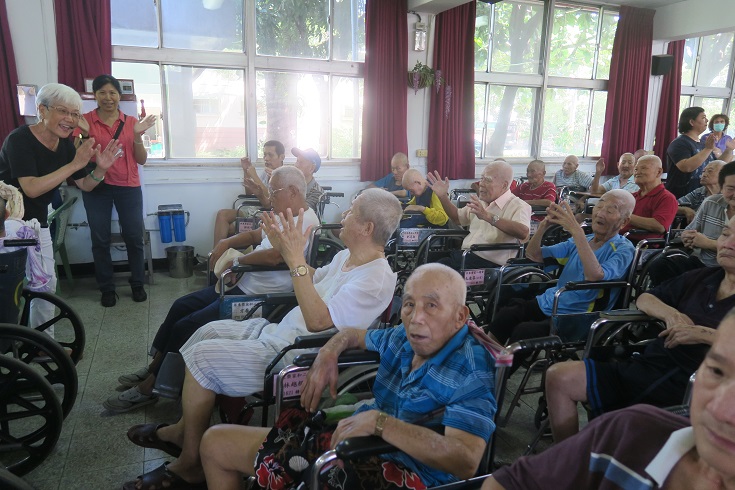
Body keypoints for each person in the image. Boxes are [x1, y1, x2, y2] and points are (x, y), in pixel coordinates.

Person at [121, 188, 402, 490]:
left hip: (296, 355)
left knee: (202, 359)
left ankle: (191, 464)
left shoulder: (375, 279)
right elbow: (312, 277)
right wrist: (286, 248)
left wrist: (294, 257)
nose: (344, 215)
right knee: (205, 331)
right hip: (279, 331)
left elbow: (318, 320)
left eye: (352, 211)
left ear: (367, 228)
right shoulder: (347, 257)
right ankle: (183, 432)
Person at [200, 264, 497, 489]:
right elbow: (354, 335)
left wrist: (381, 424)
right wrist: (328, 352)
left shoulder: (470, 368)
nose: (416, 317)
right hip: (355, 444)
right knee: (214, 442)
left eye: (431, 306)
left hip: (407, 476)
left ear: (461, 316)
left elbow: (466, 460)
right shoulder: (402, 338)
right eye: (409, 304)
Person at [104, 166, 320, 413]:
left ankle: (153, 387)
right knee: (180, 306)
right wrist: (225, 243)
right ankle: (155, 366)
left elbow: (275, 257)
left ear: (292, 191)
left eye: (274, 191)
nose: (269, 197)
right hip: (241, 284)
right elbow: (254, 236)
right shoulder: (284, 215)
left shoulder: (307, 221)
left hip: (257, 297)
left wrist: (238, 261)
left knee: (186, 326)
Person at [482, 309, 735, 490]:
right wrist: (669, 313)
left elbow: (597, 276)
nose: (720, 410)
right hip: (642, 363)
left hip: (667, 379)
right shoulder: (626, 432)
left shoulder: (619, 250)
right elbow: (509, 482)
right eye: (716, 371)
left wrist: (703, 334)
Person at [544, 215, 735, 444]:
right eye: (725, 234)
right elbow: (646, 298)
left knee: (616, 425)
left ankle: (594, 459)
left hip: (697, 388)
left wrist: (706, 335)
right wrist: (671, 314)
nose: (728, 242)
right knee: (559, 377)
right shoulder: (702, 277)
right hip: (652, 364)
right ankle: (568, 457)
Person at [0, 83, 121, 328]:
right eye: (63, 111)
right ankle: (13, 340)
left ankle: (42, 345)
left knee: (45, 284)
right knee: (8, 289)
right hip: (6, 225)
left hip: (36, 222)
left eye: (75, 114)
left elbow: (85, 185)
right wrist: (75, 165)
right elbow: (31, 188)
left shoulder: (65, 144)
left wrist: (101, 169)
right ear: (42, 110)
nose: (70, 120)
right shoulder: (19, 140)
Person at [486, 190, 635, 345]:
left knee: (525, 332)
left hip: (578, 316)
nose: (600, 213)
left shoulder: (624, 249)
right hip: (551, 301)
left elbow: (595, 276)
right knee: (508, 313)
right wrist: (544, 225)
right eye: (599, 206)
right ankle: (487, 361)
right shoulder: (584, 239)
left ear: (624, 221)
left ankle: (502, 368)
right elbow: (534, 255)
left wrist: (577, 232)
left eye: (610, 210)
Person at [75, 75, 157, 307]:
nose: (107, 98)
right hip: (96, 186)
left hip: (128, 186)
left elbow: (141, 160)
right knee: (99, 239)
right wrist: (83, 134)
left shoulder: (131, 123)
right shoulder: (85, 121)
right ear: (95, 95)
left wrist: (138, 135)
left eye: (112, 93)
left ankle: (137, 283)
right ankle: (107, 288)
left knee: (133, 237)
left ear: (119, 96)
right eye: (102, 92)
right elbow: (77, 158)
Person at [427, 161, 531, 270]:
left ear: (504, 185)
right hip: (466, 255)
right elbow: (457, 218)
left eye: (488, 180)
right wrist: (443, 197)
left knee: (434, 271)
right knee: (424, 260)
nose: (481, 183)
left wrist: (488, 217)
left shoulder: (519, 206)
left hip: (489, 263)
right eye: (482, 178)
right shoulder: (481, 202)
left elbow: (523, 232)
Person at [212, 140, 285, 247]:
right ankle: (215, 256)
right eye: (265, 155)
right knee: (222, 214)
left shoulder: (284, 174)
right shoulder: (266, 172)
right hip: (254, 209)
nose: (266, 159)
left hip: (267, 214)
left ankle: (221, 257)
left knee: (230, 228)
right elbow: (249, 193)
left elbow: (271, 201)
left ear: (282, 157)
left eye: (270, 155)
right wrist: (246, 171)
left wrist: (254, 176)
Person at [666, 107, 734, 199]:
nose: (707, 120)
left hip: (700, 197)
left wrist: (729, 149)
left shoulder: (702, 143)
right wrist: (708, 149)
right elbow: (686, 167)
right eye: (703, 117)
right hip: (680, 197)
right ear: (691, 122)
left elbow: (717, 165)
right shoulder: (680, 143)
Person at [681, 161, 735, 267]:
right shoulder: (711, 203)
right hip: (702, 263)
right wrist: (687, 237)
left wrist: (708, 243)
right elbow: (689, 231)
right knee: (662, 264)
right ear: (722, 188)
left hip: (729, 270)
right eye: (730, 189)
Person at [620, 155, 678, 242]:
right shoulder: (631, 196)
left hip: (639, 246)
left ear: (658, 172)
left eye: (643, 168)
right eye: (636, 169)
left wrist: (624, 216)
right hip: (616, 239)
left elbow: (659, 226)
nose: (637, 172)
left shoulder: (667, 198)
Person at [678, 159, 724, 224]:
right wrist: (685, 210)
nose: (704, 175)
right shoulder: (700, 191)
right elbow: (673, 205)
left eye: (710, 171)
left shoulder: (728, 194)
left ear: (723, 175)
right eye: (703, 171)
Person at [292, 147, 324, 213]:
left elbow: (301, 213)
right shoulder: (292, 185)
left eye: (301, 162)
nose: (296, 165)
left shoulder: (317, 192)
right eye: (297, 161)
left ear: (312, 168)